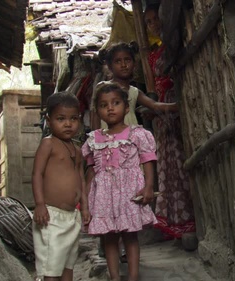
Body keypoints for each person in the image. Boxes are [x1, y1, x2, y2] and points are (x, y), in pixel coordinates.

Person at [82, 83, 157, 281]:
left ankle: (133, 277)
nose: (110, 108)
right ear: (97, 111)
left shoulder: (137, 134)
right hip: (104, 196)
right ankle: (114, 277)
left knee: (130, 236)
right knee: (109, 237)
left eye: (115, 103)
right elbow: (91, 172)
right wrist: (86, 202)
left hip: (129, 194)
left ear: (126, 107)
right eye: (104, 105)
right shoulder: (93, 139)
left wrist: (149, 186)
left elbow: (148, 161)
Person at [144, 4, 195, 238]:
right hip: (163, 115)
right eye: (149, 22)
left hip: (175, 110)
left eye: (156, 19)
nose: (153, 24)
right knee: (169, 165)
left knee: (181, 162)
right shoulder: (154, 54)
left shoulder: (171, 48)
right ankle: (175, 219)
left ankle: (188, 218)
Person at [31, 92, 91, 281]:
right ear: (49, 120)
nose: (68, 124)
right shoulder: (48, 144)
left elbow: (80, 178)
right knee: (51, 268)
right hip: (51, 216)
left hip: (72, 217)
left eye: (73, 118)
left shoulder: (77, 149)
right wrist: (39, 204)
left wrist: (85, 207)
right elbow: (37, 174)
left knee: (67, 265)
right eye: (61, 118)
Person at [90, 42, 177, 130]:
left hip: (131, 139)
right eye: (118, 61)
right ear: (110, 66)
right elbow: (95, 115)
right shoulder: (103, 88)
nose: (123, 65)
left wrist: (177, 106)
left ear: (134, 64)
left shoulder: (134, 92)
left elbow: (154, 105)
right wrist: (95, 139)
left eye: (127, 60)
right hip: (108, 139)